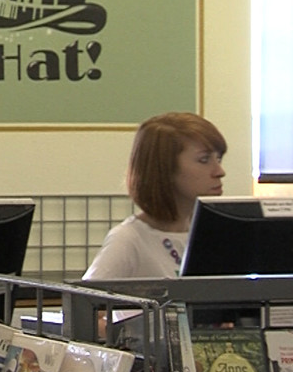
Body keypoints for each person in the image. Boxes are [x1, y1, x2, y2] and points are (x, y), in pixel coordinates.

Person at [83, 112, 227, 280]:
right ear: (164, 168)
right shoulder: (128, 239)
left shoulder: (209, 237)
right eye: (204, 160)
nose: (220, 172)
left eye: (218, 159)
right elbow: (84, 302)